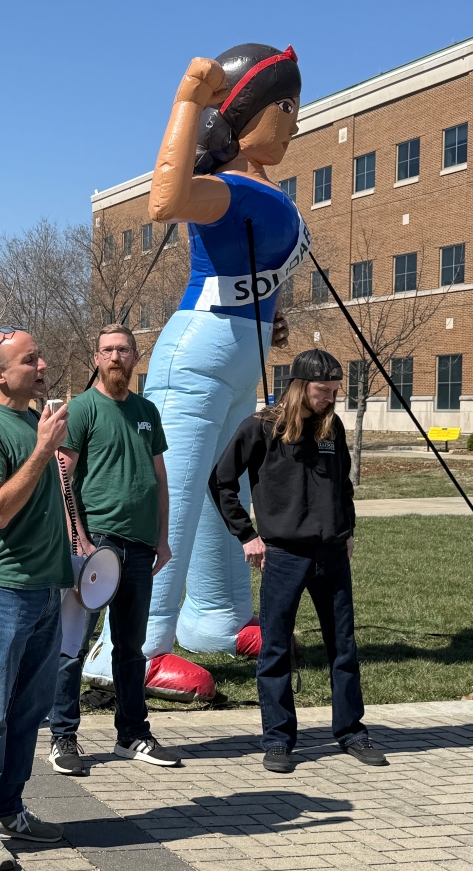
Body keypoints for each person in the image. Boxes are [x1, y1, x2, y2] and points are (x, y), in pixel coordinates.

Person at [84, 45, 301, 697]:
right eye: (284, 105)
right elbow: (163, 198)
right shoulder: (226, 188)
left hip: (237, 360)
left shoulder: (258, 186)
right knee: (170, 499)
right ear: (242, 115)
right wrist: (187, 100)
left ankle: (217, 617)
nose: (294, 119)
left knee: (219, 487)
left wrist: (273, 314)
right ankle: (130, 650)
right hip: (200, 359)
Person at [209, 348, 387, 774]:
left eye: (333, 391)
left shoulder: (333, 428)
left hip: (331, 554)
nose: (330, 399)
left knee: (343, 646)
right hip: (284, 554)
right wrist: (246, 535)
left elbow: (342, 486)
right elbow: (221, 482)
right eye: (323, 391)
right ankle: (278, 740)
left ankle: (351, 732)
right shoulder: (261, 427)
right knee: (275, 647)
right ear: (299, 387)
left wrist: (347, 531)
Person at [0, 327, 72, 871]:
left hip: (47, 587)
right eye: (30, 359)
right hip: (0, 589)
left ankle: (9, 809)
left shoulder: (31, 420)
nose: (42, 364)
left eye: (39, 357)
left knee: (29, 711)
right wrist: (43, 451)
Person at [51, 324, 180, 772]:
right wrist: (78, 538)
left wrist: (162, 537)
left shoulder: (147, 411)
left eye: (123, 349)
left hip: (141, 547)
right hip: (96, 545)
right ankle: (63, 736)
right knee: (73, 641)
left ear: (135, 356)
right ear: (96, 358)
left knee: (131, 646)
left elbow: (159, 478)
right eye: (107, 350)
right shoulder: (82, 409)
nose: (115, 357)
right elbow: (63, 474)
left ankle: (133, 735)